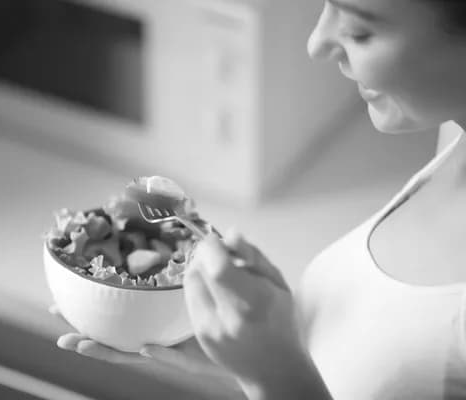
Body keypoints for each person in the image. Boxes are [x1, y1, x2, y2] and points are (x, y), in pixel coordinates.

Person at [55, 0, 466, 398]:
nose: (316, 43)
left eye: (360, 29)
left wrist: (274, 373)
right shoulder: (455, 133)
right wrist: (249, 356)